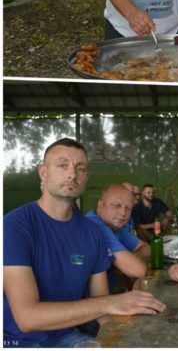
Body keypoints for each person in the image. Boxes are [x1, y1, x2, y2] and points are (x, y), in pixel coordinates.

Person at [4, 138, 165, 348]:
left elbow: (102, 310)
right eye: (63, 166)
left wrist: (135, 333)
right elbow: (27, 318)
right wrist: (113, 303)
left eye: (80, 169)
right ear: (43, 173)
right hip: (18, 342)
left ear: (86, 177)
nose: (72, 174)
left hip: (71, 337)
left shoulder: (93, 233)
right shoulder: (13, 226)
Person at [85, 184, 151, 293]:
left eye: (128, 208)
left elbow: (147, 248)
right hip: (84, 304)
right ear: (101, 206)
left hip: (108, 294)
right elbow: (138, 269)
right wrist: (129, 261)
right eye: (116, 205)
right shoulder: (95, 225)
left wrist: (125, 260)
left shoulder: (115, 225)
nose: (123, 213)